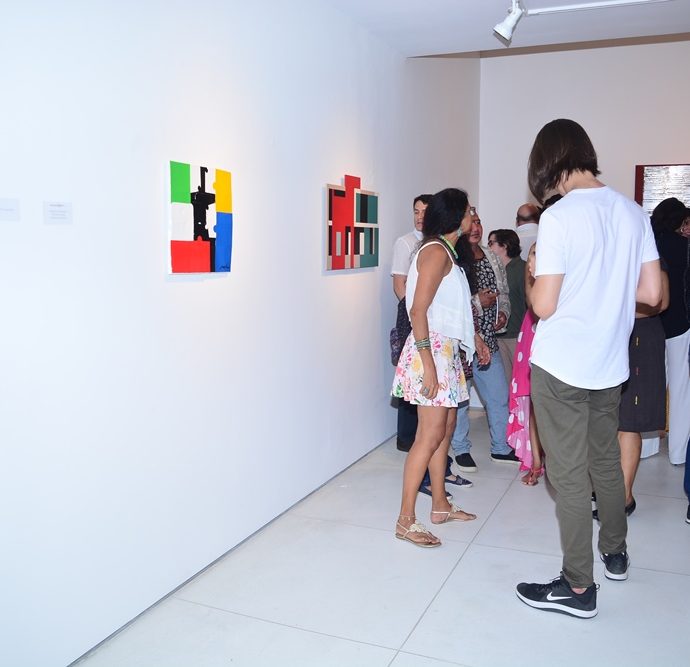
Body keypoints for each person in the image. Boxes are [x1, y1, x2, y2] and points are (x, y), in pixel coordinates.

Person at [515, 119, 662, 618]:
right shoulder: (633, 211)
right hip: (609, 364)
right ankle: (615, 554)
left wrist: (532, 275)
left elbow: (544, 305)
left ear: (548, 162)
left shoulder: (559, 217)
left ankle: (578, 587)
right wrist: (607, 293)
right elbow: (652, 294)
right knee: (604, 462)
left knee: (569, 476)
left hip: (561, 365)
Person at [392, 188, 478, 547]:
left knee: (444, 430)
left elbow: (448, 308)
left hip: (445, 351)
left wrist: (474, 340)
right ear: (456, 216)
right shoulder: (435, 251)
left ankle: (440, 504)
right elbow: (417, 310)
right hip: (431, 352)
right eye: (469, 211)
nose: (473, 216)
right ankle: (405, 520)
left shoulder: (446, 250)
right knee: (428, 436)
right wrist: (429, 364)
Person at [593, 266, 669, 520]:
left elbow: (660, 301)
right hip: (606, 338)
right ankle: (607, 488)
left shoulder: (648, 259)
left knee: (628, 421)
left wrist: (615, 309)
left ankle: (623, 497)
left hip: (639, 338)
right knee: (605, 419)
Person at [450, 207, 519, 473]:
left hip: (488, 340)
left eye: (479, 222)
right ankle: (461, 449)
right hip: (462, 345)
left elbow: (504, 292)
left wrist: (503, 312)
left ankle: (500, 447)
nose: (476, 227)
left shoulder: (491, 255)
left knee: (499, 396)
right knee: (461, 401)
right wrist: (478, 302)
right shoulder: (452, 258)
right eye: (471, 222)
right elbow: (451, 303)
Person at [650, 198, 690, 470]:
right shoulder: (685, 247)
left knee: (652, 386)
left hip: (652, 325)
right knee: (680, 389)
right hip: (680, 324)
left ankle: (646, 446)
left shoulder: (649, 245)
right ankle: (678, 452)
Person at [391, 195, 431, 452]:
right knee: (410, 374)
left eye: (425, 211)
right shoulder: (405, 243)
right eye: (416, 211)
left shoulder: (435, 242)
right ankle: (406, 438)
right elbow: (399, 286)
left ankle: (423, 435)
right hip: (411, 315)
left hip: (429, 318)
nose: (419, 216)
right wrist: (417, 311)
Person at [488, 229, 526, 384]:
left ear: (504, 245)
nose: (488, 248)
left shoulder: (523, 269)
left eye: (491, 243)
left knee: (521, 383)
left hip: (517, 336)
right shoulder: (494, 271)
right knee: (505, 385)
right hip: (498, 337)